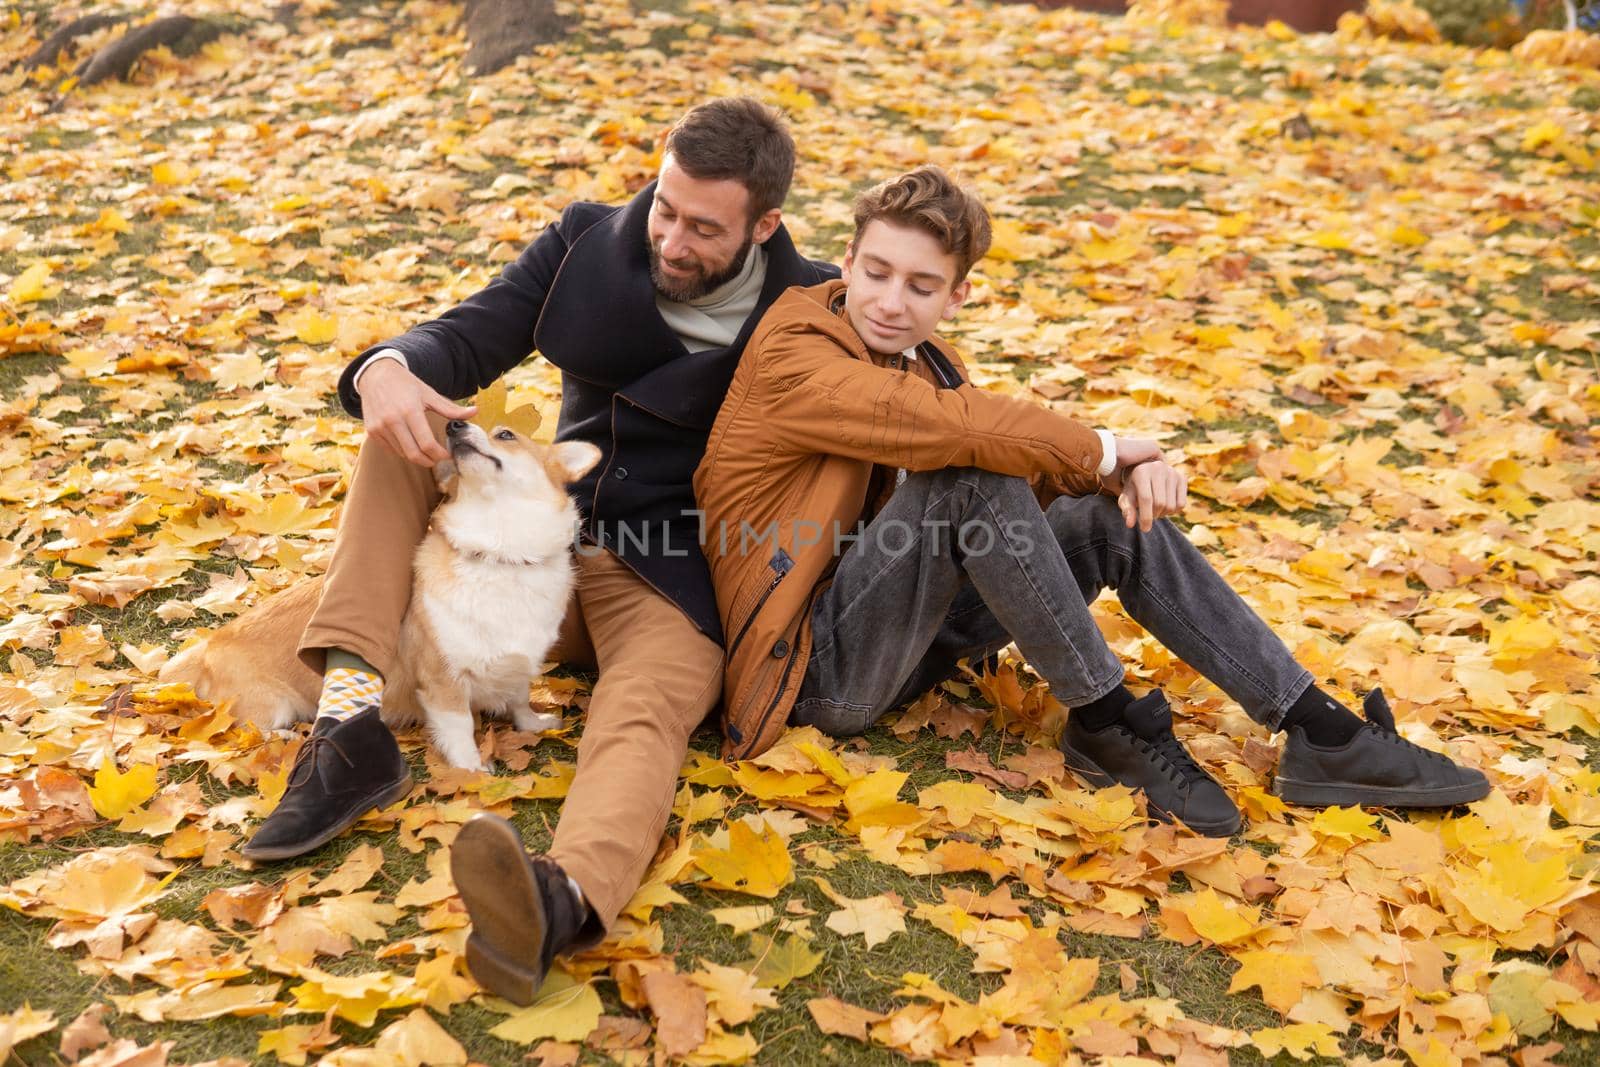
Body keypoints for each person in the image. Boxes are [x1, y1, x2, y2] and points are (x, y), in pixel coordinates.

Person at [238, 98, 835, 1004]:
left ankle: (560, 899)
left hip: (673, 569)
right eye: (664, 209)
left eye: (702, 229)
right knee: (406, 425)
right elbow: (466, 336)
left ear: (766, 225)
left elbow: (929, 402)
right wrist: (388, 370)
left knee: (645, 711)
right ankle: (347, 730)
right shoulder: (587, 241)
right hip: (544, 537)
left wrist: (1098, 462)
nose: (669, 240)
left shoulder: (812, 303)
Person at [693, 165, 1488, 837]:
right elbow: (940, 435)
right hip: (812, 669)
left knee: (1105, 521)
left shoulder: (931, 358)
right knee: (964, 469)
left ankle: (1322, 730)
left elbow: (1003, 488)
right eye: (876, 272)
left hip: (912, 636)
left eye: (921, 285)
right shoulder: (794, 347)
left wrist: (1114, 479)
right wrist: (1105, 448)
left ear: (959, 293)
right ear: (846, 259)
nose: (892, 301)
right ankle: (1108, 723)